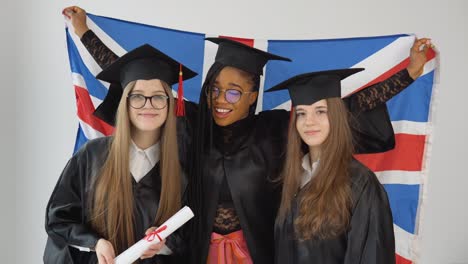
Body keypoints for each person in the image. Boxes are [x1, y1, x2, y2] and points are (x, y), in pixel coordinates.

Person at [61, 6, 430, 263]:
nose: (222, 100)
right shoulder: (188, 125)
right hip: (195, 252)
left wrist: (408, 75)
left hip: (259, 252)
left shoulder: (273, 132)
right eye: (215, 89)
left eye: (235, 92)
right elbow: (138, 81)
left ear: (253, 96)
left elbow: (339, 108)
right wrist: (84, 32)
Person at [44, 44, 197, 264]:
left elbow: (194, 236)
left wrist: (165, 244)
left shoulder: (183, 165)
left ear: (169, 103)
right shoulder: (92, 156)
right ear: (124, 103)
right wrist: (95, 242)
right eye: (137, 96)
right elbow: (59, 220)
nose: (148, 105)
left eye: (158, 96)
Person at [269, 68, 395, 264]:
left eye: (320, 111)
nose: (309, 122)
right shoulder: (294, 178)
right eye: (301, 113)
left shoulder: (360, 183)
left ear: (336, 116)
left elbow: (371, 256)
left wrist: (409, 73)